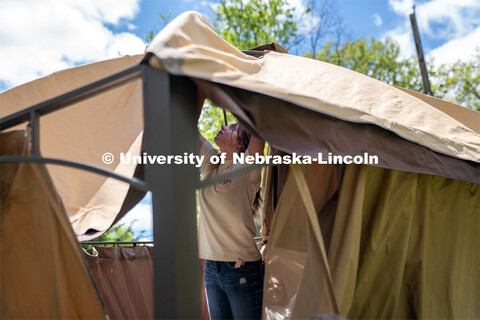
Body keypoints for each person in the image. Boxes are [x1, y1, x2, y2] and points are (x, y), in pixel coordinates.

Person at [197, 107, 265, 319]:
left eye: (232, 128)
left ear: (239, 144)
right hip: (211, 268)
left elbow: (258, 129)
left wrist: (233, 98)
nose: (223, 126)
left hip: (241, 267)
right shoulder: (211, 163)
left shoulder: (247, 168)